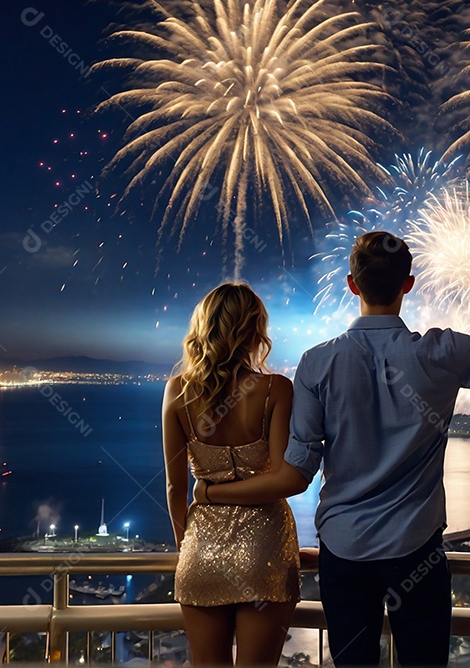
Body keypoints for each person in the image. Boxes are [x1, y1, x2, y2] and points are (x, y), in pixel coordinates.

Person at [196, 232, 470, 666]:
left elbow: (298, 471)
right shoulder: (442, 352)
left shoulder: (317, 363)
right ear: (407, 285)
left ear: (352, 284)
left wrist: (212, 491)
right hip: (417, 553)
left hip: (344, 553)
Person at [161, 282, 300, 666]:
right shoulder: (276, 390)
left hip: (201, 546)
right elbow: (282, 475)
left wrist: (185, 542)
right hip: (266, 547)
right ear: (255, 331)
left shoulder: (177, 392)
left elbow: (176, 486)